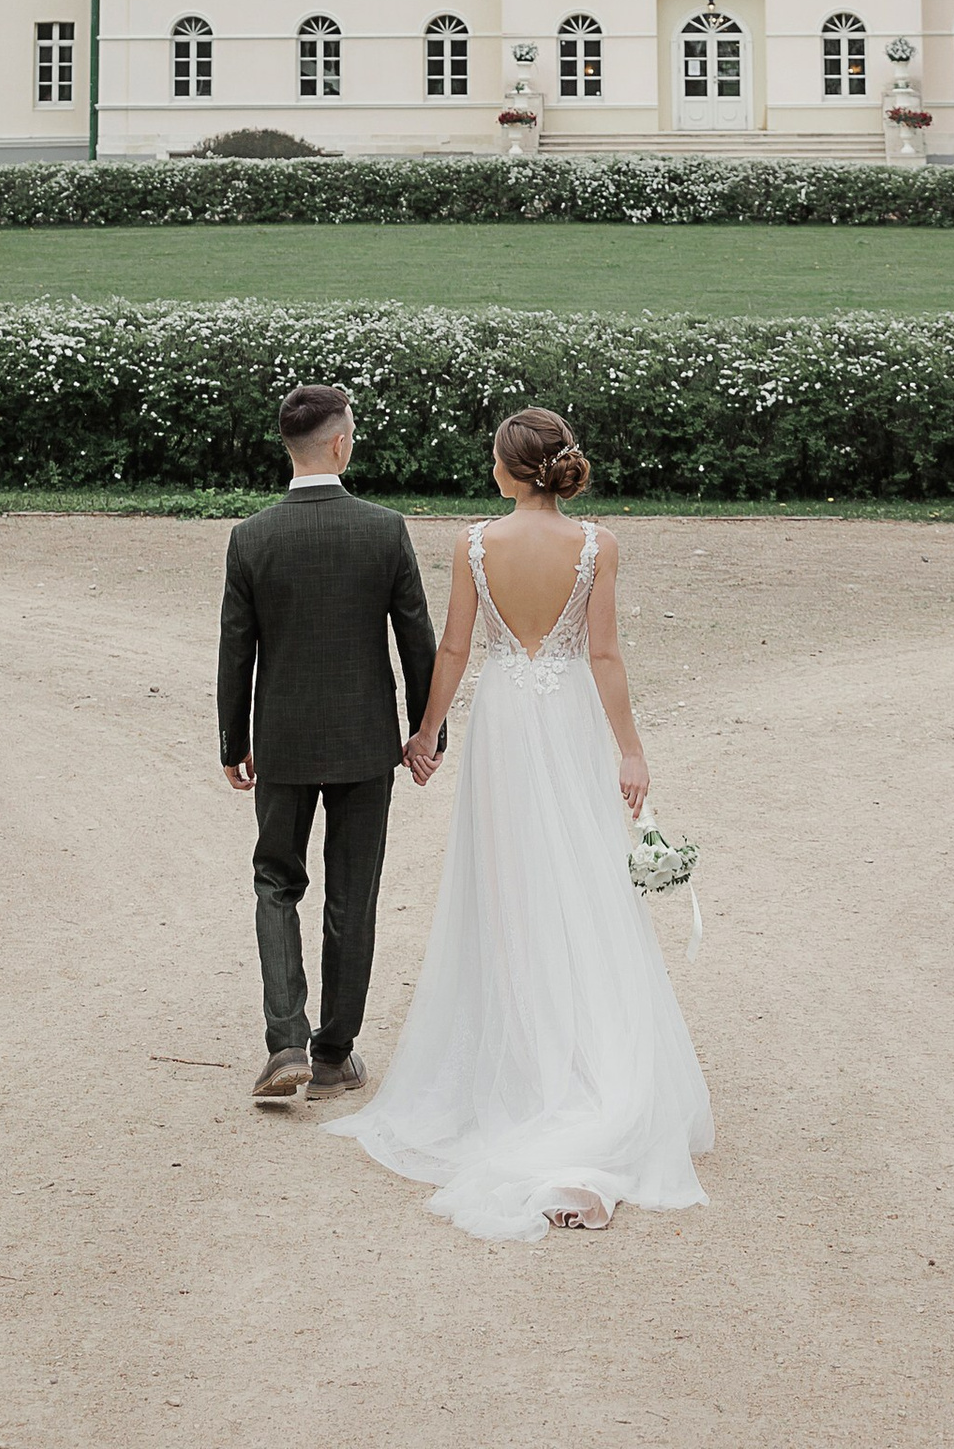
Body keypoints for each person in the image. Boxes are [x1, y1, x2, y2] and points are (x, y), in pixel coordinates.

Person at [323, 404, 714, 1241]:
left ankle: (525, 1062)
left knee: (507, 885)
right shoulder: (596, 544)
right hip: (569, 718)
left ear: (507, 468)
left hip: (504, 722)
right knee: (583, 883)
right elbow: (603, 654)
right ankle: (589, 1069)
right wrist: (631, 751)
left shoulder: (476, 544)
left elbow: (455, 650)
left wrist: (426, 733)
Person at [217, 380, 439, 1110]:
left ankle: (285, 1040)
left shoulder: (251, 537)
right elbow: (416, 638)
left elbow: (236, 649)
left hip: (281, 743)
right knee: (353, 895)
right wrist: (425, 731)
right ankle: (334, 1055)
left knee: (275, 883)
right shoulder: (384, 529)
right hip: (364, 744)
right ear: (340, 443)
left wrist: (233, 739)